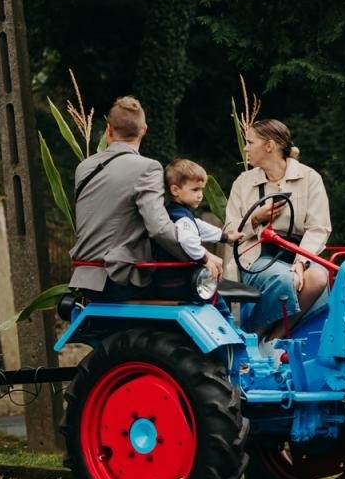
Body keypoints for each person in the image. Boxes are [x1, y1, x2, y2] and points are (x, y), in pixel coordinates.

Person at [69, 96, 213, 299]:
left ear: (108, 130)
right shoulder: (148, 168)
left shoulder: (84, 167)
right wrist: (200, 256)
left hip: (84, 278)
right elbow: (159, 228)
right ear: (144, 129)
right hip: (121, 279)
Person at [223, 118, 331, 337]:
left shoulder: (310, 179)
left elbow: (319, 228)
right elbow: (229, 229)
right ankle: (250, 336)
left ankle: (271, 339)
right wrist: (255, 219)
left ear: (269, 146)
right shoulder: (243, 182)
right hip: (255, 256)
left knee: (319, 278)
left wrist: (301, 262)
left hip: (297, 254)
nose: (246, 148)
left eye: (250, 142)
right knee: (287, 279)